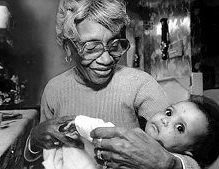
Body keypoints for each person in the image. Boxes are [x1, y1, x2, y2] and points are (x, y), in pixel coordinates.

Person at [24, 0, 200, 168]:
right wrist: (33, 140)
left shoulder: (140, 85)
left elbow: (189, 158)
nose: (107, 60)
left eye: (114, 45)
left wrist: (171, 164)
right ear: (69, 47)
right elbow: (41, 157)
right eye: (92, 48)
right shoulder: (54, 90)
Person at [42, 95, 219, 169]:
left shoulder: (174, 160)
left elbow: (190, 166)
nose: (165, 119)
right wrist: (77, 123)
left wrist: (171, 163)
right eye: (169, 112)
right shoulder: (131, 138)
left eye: (180, 128)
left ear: (188, 151)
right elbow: (100, 129)